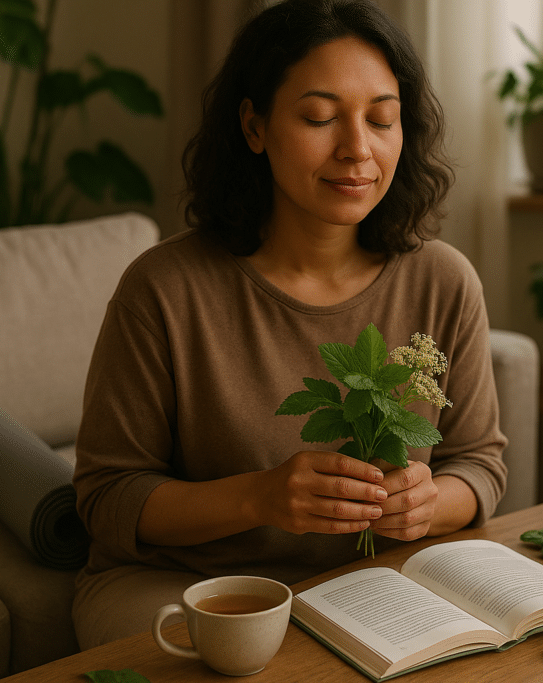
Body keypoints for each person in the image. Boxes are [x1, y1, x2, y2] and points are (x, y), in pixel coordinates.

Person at [71, 0, 508, 649]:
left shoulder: (444, 280)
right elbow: (107, 498)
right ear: (254, 125)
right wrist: (261, 498)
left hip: (372, 582)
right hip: (190, 585)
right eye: (319, 117)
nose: (357, 148)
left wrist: (430, 501)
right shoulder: (163, 289)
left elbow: (481, 463)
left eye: (382, 119)